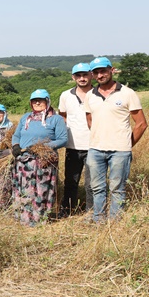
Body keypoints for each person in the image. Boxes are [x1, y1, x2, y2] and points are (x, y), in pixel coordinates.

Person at [84, 57, 148, 223]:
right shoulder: (90, 95)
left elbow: (141, 124)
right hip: (95, 150)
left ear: (111, 70)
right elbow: (90, 120)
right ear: (92, 75)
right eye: (96, 72)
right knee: (97, 188)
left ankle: (115, 223)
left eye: (103, 71)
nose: (100, 75)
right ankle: (99, 221)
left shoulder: (127, 93)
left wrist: (126, 144)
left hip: (120, 151)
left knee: (117, 189)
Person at [11, 90, 68, 225]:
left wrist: (42, 147)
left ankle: (39, 220)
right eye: (34, 100)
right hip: (24, 162)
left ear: (47, 102)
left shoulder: (56, 119)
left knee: (41, 191)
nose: (37, 103)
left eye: (41, 100)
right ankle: (24, 219)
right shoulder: (26, 118)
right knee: (24, 190)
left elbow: (63, 139)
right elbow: (16, 135)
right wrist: (16, 146)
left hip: (44, 162)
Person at [58, 63, 94, 217]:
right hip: (72, 146)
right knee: (71, 182)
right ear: (73, 77)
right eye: (78, 75)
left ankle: (92, 213)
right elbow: (62, 117)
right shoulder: (65, 95)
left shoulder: (98, 93)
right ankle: (67, 211)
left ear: (91, 75)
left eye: (85, 75)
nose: (82, 78)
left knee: (91, 184)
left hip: (94, 146)